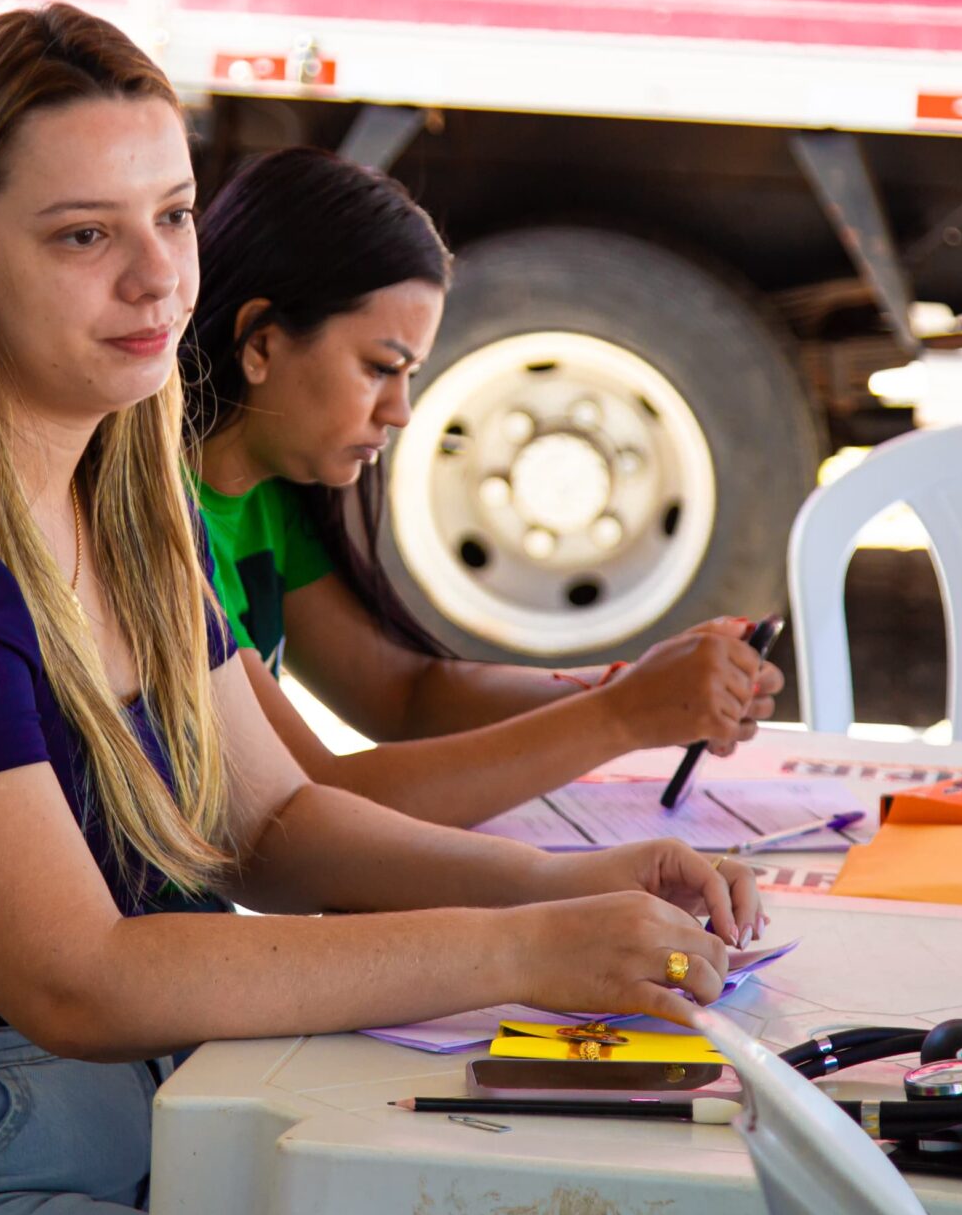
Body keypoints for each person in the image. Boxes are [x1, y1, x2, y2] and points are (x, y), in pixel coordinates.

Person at [0, 4, 762, 1215]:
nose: (157, 277)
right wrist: (522, 944)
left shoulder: (122, 486)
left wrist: (571, 882)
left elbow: (264, 823)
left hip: (135, 1096)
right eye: (85, 234)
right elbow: (77, 976)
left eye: (173, 214)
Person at [182, 146, 783, 828]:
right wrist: (622, 716)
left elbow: (402, 695)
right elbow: (313, 805)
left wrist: (636, 687)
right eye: (380, 367)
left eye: (409, 377)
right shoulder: (161, 524)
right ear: (260, 343)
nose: (400, 411)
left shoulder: (268, 494)